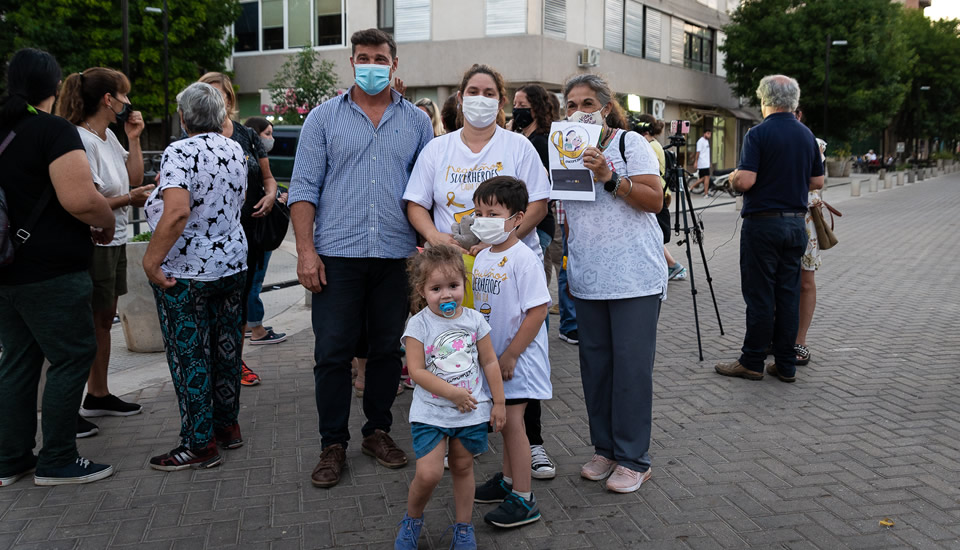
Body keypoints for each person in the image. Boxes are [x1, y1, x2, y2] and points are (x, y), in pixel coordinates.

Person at [289, 28, 433, 488]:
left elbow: (424, 192)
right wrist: (305, 252)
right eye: (364, 57)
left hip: (395, 257)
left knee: (388, 351)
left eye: (381, 58)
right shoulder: (323, 118)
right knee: (332, 353)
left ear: (394, 64)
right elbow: (304, 189)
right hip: (337, 257)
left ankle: (377, 431)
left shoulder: (416, 122)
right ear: (352, 62)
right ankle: (332, 443)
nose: (372, 65)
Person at [0, 48, 116, 486]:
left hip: (6, 268)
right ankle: (58, 460)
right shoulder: (52, 130)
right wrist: (106, 221)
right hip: (50, 270)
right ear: (52, 86)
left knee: (17, 361)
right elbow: (81, 199)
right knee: (72, 356)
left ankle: (10, 459)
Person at [563, 74, 665, 493]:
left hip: (633, 277)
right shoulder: (562, 150)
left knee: (631, 370)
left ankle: (633, 458)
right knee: (597, 369)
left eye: (588, 103)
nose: (579, 111)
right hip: (588, 278)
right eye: (571, 104)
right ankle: (604, 449)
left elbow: (655, 199)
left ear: (606, 108)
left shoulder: (629, 144)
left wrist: (610, 177)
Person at [143, 82, 248, 470]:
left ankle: (198, 442)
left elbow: (177, 212)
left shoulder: (179, 151)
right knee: (225, 349)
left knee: (191, 356)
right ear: (221, 116)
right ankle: (226, 426)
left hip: (187, 271)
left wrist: (151, 262)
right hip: (232, 263)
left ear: (184, 117)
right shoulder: (233, 147)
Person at [56, 68, 155, 437]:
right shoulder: (81, 139)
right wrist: (131, 198)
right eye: (124, 95)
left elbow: (132, 177)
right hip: (94, 241)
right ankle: (75, 402)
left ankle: (98, 394)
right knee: (88, 323)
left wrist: (132, 138)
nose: (129, 102)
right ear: (107, 99)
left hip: (112, 241)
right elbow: (90, 200)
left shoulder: (108, 136)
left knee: (103, 320)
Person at [394, 246, 506, 550]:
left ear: (464, 285)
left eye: (453, 286)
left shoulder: (474, 320)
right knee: (428, 473)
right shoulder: (418, 325)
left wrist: (498, 402)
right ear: (422, 290)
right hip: (431, 412)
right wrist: (453, 394)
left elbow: (490, 362)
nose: (446, 295)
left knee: (463, 466)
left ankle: (463, 527)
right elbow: (416, 371)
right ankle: (412, 519)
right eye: (436, 288)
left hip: (469, 413)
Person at [715, 75, 824, 384]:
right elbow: (817, 182)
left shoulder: (758, 134)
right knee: (788, 294)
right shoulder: (806, 135)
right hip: (794, 224)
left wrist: (734, 177)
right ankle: (785, 364)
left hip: (763, 225)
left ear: (765, 100)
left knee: (760, 295)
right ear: (793, 101)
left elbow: (747, 181)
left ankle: (752, 361)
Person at [404, 64, 549, 261]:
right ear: (460, 98)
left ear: (501, 102)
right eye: (473, 92)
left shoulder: (519, 146)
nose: (480, 98)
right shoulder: (436, 149)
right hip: (452, 268)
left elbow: (538, 206)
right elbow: (416, 203)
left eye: (489, 93)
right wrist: (434, 235)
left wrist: (501, 240)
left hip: (511, 264)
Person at [470, 177, 551, 527]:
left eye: (493, 213)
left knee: (514, 423)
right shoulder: (485, 255)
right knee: (504, 425)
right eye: (478, 212)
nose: (483, 219)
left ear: (517, 218)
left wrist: (512, 355)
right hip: (496, 360)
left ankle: (524, 497)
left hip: (517, 362)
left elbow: (538, 311)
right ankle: (507, 481)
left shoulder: (524, 259)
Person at [198, 72, 279, 389]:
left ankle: (233, 364)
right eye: (207, 95)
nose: (214, 101)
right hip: (210, 238)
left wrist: (271, 194)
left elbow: (268, 177)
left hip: (250, 232)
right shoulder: (191, 139)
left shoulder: (247, 134)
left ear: (229, 100)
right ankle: (211, 367)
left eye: (219, 95)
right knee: (210, 305)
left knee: (241, 302)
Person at [509, 83, 557, 480]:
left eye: (523, 106)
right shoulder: (512, 138)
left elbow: (541, 197)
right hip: (489, 248)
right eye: (515, 105)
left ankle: (533, 442)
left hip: (526, 237)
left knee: (525, 335)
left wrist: (511, 234)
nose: (517, 110)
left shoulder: (539, 142)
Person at [242, 116, 289, 345]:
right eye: (267, 134)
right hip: (256, 230)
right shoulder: (247, 155)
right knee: (253, 281)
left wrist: (274, 195)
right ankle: (257, 328)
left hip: (256, 228)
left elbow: (267, 181)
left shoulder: (257, 158)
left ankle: (252, 323)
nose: (271, 139)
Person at [635, 114, 686, 281]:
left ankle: (672, 266)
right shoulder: (656, 144)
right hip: (662, 191)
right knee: (652, 233)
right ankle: (671, 266)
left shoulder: (649, 146)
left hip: (655, 193)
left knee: (652, 233)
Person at [796, 135, 829, 366]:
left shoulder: (811, 142)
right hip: (773, 214)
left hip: (805, 217)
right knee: (775, 279)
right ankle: (774, 336)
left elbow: (817, 181)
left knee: (806, 280)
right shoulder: (765, 133)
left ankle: (800, 341)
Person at [691, 129, 712, 196]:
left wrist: (709, 162)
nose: (709, 135)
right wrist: (696, 162)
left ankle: (705, 192)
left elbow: (706, 153)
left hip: (706, 163)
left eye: (710, 134)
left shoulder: (706, 141)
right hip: (702, 163)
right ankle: (705, 193)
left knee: (704, 178)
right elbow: (698, 152)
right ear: (704, 134)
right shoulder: (700, 141)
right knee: (705, 178)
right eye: (708, 133)